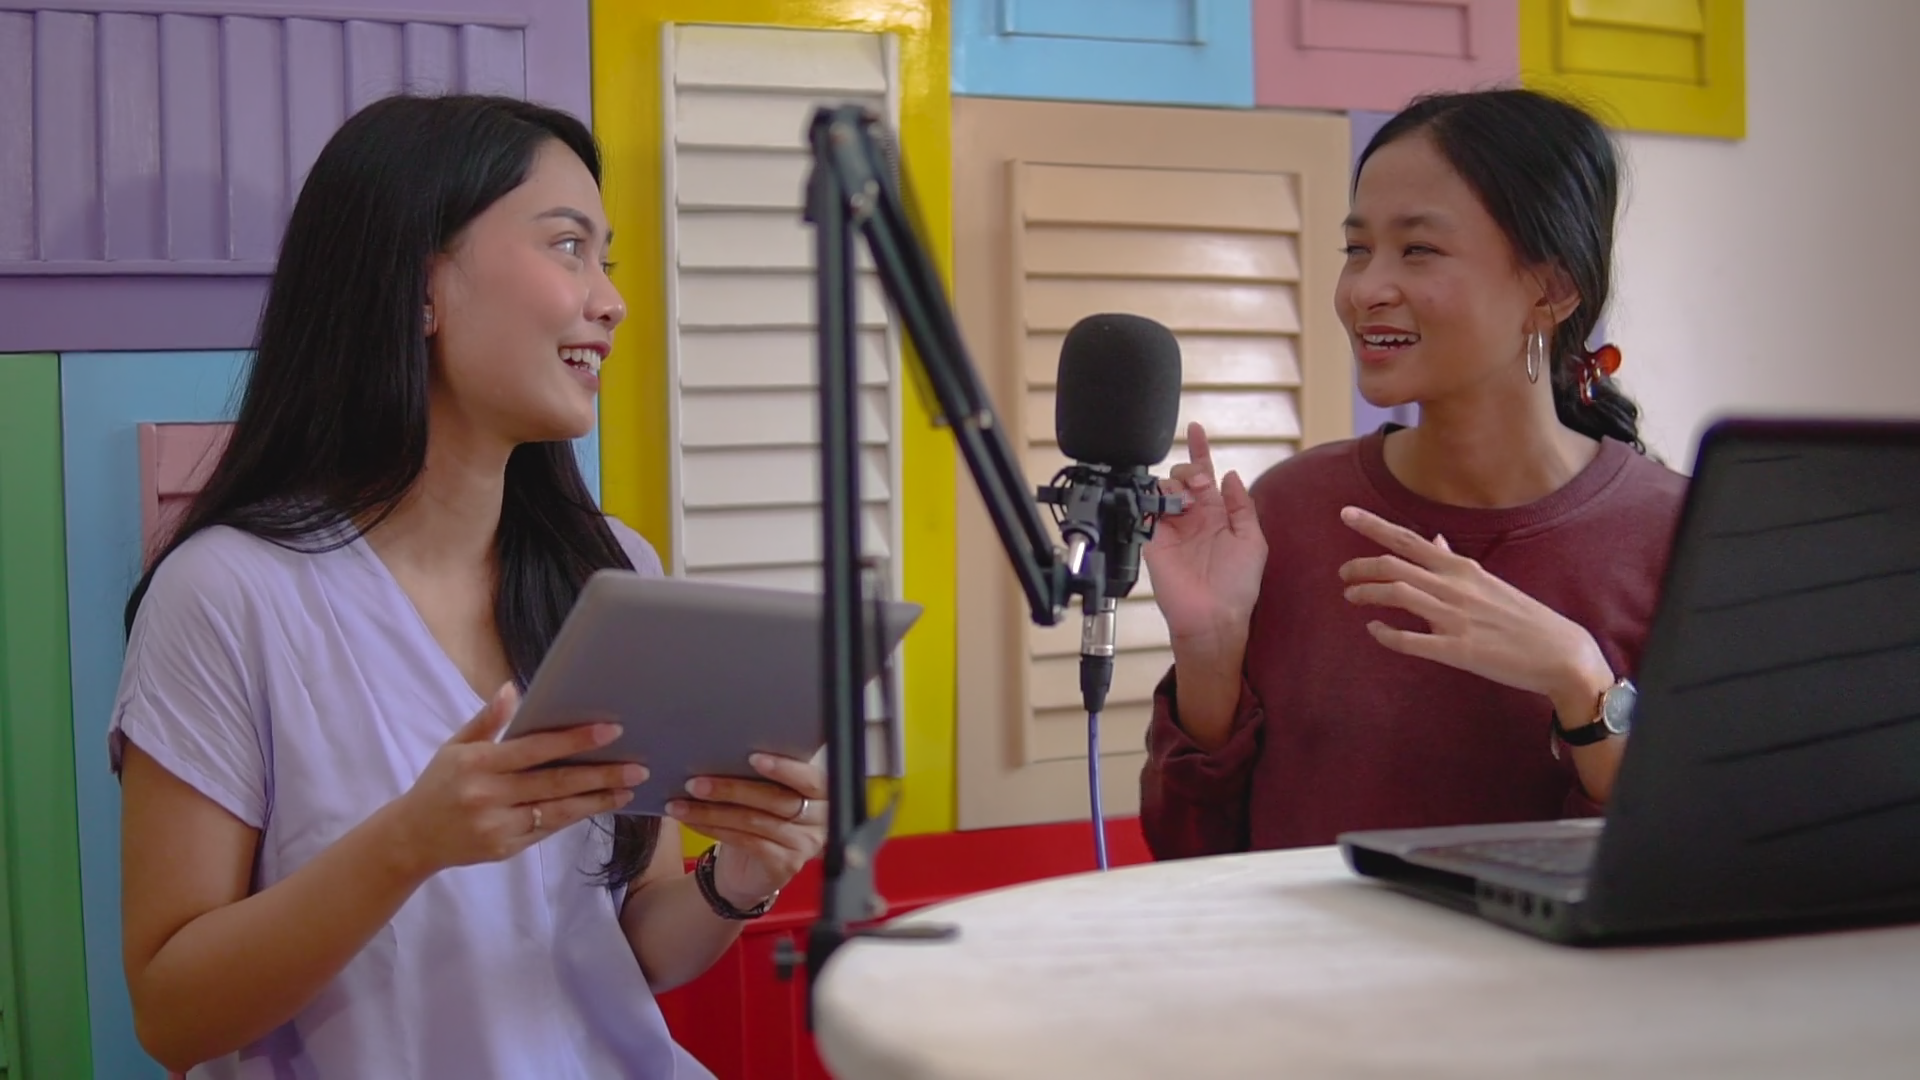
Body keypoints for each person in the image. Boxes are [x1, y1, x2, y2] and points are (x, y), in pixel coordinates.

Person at [111, 94, 824, 1078]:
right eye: (568, 247)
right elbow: (172, 1017)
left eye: (607, 258)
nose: (611, 301)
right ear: (419, 288)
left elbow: (632, 948)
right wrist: (409, 844)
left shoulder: (611, 571)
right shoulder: (226, 594)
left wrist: (735, 878)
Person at [1138, 88, 1689, 860]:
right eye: (1357, 250)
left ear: (1553, 289)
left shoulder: (1682, 539)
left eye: (1418, 250)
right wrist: (1210, 650)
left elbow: (1690, 871)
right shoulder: (1292, 511)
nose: (1365, 290)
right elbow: (1191, 856)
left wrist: (1581, 685)